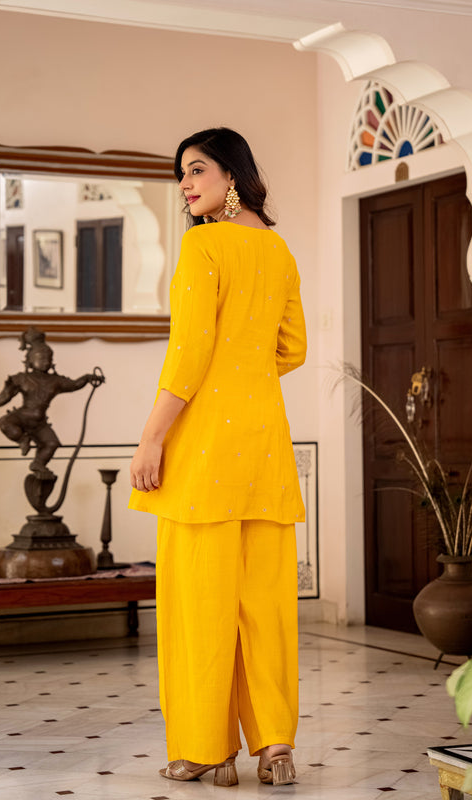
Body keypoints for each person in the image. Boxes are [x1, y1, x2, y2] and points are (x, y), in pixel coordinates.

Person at [129, 127, 306, 787]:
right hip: (264, 449)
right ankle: (275, 746)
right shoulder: (278, 249)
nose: (186, 184)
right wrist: (246, 370)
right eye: (182, 174)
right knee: (265, 607)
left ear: (232, 174)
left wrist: (151, 438)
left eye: (196, 170)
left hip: (203, 452)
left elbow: (188, 355)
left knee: (200, 604)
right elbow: (293, 349)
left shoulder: (202, 246)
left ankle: (206, 749)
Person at [0, 329, 103, 475]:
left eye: (48, 358)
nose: (46, 361)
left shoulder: (55, 381)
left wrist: (88, 377)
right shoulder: (21, 378)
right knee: (4, 423)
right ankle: (22, 439)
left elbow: (74, 384)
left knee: (51, 443)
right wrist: (8, 389)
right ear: (30, 360)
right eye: (41, 358)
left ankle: (38, 463)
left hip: (39, 422)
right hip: (22, 416)